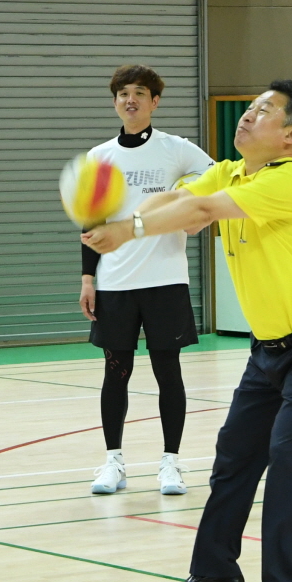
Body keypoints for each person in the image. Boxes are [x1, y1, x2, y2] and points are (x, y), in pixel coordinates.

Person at [83, 80, 292, 582]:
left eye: (262, 111)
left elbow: (201, 211)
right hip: (268, 348)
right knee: (234, 454)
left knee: (287, 454)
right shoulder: (233, 170)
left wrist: (129, 230)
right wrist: (129, 220)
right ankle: (216, 571)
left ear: (289, 135)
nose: (247, 116)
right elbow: (181, 198)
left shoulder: (286, 183)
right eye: (249, 107)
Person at [79, 66, 214, 497]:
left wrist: (195, 209)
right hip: (114, 283)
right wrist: (88, 278)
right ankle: (113, 462)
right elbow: (90, 221)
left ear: (155, 101)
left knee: (167, 372)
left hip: (165, 282)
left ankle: (171, 464)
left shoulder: (178, 150)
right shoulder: (99, 157)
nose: (130, 100)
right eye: (122, 93)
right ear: (115, 101)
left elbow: (215, 183)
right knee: (115, 373)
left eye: (139, 93)